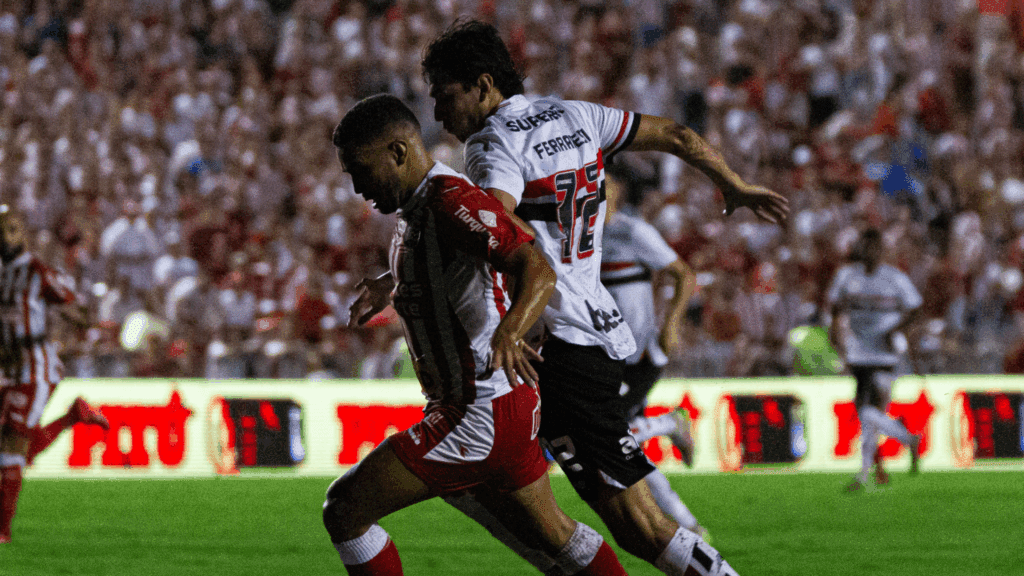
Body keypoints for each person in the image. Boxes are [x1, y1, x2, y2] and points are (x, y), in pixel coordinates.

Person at [417, 19, 787, 576]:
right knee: (514, 488)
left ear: (483, 84)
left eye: (445, 96)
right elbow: (680, 137)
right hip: (586, 333)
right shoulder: (577, 115)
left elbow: (490, 233)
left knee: (635, 524)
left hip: (559, 345)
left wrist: (412, 272)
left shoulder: (494, 145)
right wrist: (731, 182)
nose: (440, 115)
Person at [327, 95, 628, 576]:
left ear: (400, 151)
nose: (358, 187)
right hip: (499, 406)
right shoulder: (421, 207)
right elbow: (457, 271)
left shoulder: (451, 201)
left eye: (361, 170)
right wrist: (392, 287)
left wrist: (511, 330)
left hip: (477, 411)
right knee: (554, 536)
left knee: (344, 509)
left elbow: (536, 268)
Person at [599, 173, 710, 543]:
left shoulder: (632, 231)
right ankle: (687, 523)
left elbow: (684, 274)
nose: (597, 189)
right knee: (626, 443)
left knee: (611, 433)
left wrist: (672, 324)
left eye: (604, 183)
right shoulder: (579, 235)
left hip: (640, 350)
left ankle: (670, 423)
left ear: (618, 190)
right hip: (604, 352)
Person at [0, 205, 110, 544]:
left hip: (35, 367)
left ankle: (2, 531)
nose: (5, 237)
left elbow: (77, 311)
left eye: (11, 229)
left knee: (12, 449)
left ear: (22, 235)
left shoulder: (37, 273)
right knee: (13, 451)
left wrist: (79, 321)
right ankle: (74, 416)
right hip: (6, 367)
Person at [826, 228, 922, 492]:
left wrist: (894, 330)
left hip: (884, 354)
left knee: (867, 410)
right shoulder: (847, 276)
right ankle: (869, 472)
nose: (870, 253)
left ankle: (892, 451)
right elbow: (835, 307)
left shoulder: (893, 278)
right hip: (858, 353)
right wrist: (837, 340)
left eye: (874, 247)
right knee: (869, 416)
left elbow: (916, 306)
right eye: (865, 247)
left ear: (881, 251)